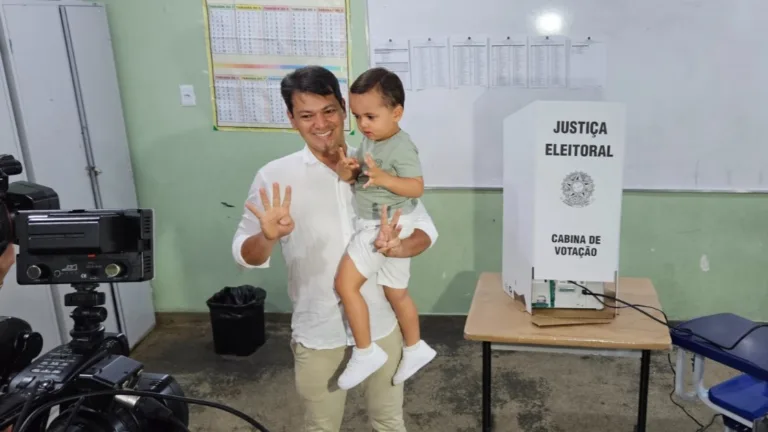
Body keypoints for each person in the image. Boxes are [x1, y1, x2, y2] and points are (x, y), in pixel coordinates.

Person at [231, 65, 438, 432]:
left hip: (381, 325)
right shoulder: (274, 177)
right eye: (306, 115)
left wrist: (399, 248)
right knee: (320, 427)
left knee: (389, 421)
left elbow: (423, 231)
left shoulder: (376, 161)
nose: (321, 123)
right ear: (291, 119)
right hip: (318, 331)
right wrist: (269, 236)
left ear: (345, 110)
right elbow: (247, 256)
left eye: (329, 111)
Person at [333, 68, 436, 391]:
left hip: (382, 226)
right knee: (396, 291)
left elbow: (416, 187)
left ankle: (365, 352)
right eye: (358, 116)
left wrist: (384, 179)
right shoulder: (372, 140)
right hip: (388, 223)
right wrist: (350, 173)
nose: (363, 124)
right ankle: (416, 347)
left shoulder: (401, 146)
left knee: (346, 285)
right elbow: (364, 181)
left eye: (371, 116)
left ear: (397, 113)